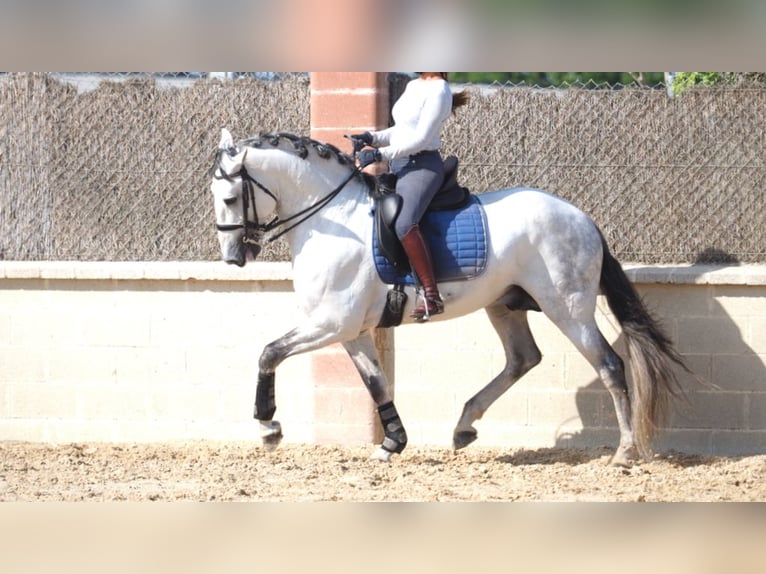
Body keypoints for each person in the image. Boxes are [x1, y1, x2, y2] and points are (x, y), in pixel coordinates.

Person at [349, 72, 468, 321]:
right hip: (399, 165)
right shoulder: (414, 85)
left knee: (404, 223)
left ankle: (432, 295)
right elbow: (401, 130)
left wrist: (380, 155)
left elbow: (421, 139)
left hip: (422, 166)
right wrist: (371, 138)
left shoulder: (440, 89)